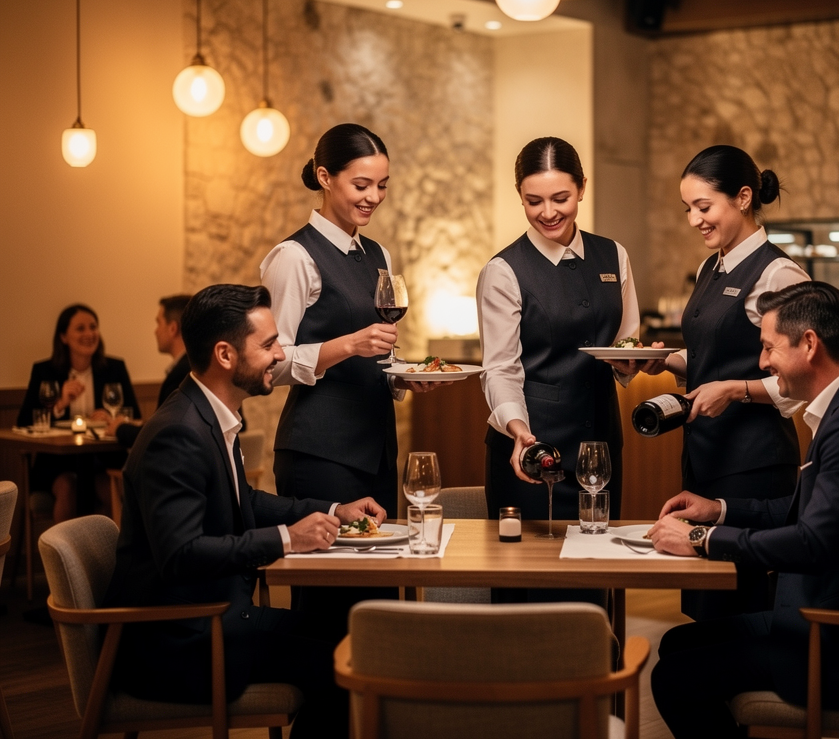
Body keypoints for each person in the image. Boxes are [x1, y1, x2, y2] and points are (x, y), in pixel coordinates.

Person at [648, 281, 839, 739]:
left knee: (674, 677)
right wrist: (717, 511)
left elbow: (813, 543)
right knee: (679, 642)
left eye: (768, 347)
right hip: (832, 616)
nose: (762, 362)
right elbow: (801, 510)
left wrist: (700, 543)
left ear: (809, 344)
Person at [104, 283, 386, 738]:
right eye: (269, 344)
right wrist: (288, 539)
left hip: (213, 619)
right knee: (343, 661)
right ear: (225, 354)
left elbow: (245, 502)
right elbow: (180, 555)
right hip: (177, 643)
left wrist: (336, 507)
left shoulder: (211, 415)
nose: (279, 354)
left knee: (348, 634)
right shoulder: (177, 434)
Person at [259, 123, 437, 625]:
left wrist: (401, 378)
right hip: (319, 453)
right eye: (362, 185)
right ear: (324, 177)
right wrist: (347, 345)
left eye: (382, 185)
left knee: (376, 601)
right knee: (330, 608)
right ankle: (321, 704)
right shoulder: (293, 258)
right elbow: (271, 363)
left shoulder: (375, 254)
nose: (373, 197)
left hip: (376, 448)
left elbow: (371, 359)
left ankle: (371, 704)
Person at [646, 145, 809, 621]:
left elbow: (802, 380)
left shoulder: (779, 273)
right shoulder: (710, 267)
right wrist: (664, 362)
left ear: (742, 198)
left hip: (754, 464)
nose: (694, 219)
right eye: (688, 210)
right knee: (704, 607)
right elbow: (710, 357)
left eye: (703, 207)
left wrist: (738, 389)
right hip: (705, 453)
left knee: (739, 606)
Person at [477, 136, 641, 523]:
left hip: (600, 451)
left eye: (560, 198)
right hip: (532, 454)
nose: (548, 212)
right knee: (530, 577)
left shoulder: (613, 255)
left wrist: (629, 363)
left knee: (595, 571)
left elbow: (623, 344)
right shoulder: (503, 271)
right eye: (534, 201)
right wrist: (518, 431)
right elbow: (500, 369)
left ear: (582, 188)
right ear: (520, 195)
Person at [16, 304, 140, 521]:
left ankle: (115, 553)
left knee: (110, 486)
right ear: (63, 337)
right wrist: (59, 404)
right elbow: (23, 422)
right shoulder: (45, 371)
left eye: (93, 327)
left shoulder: (114, 368)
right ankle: (66, 555)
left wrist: (112, 419)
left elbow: (133, 415)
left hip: (103, 458)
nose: (89, 334)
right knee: (68, 487)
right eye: (80, 328)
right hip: (57, 462)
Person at [112, 293, 192, 448]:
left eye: (158, 323)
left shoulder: (183, 375)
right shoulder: (209, 368)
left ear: (173, 328)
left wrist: (119, 428)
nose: (156, 331)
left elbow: (160, 436)